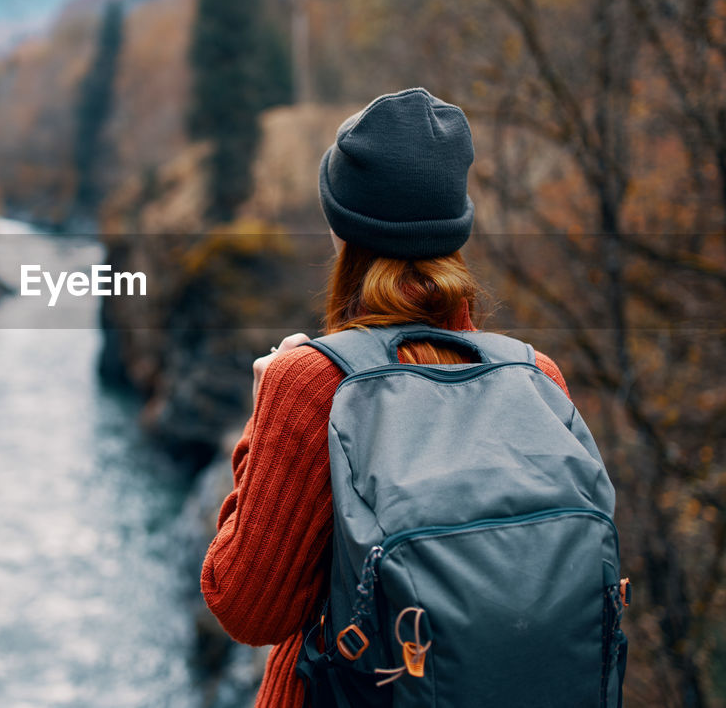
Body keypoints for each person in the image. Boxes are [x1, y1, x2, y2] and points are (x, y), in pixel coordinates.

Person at [200, 88, 572, 707]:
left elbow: (245, 608)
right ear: (456, 227)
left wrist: (261, 420)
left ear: (342, 230)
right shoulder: (541, 379)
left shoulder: (312, 386)